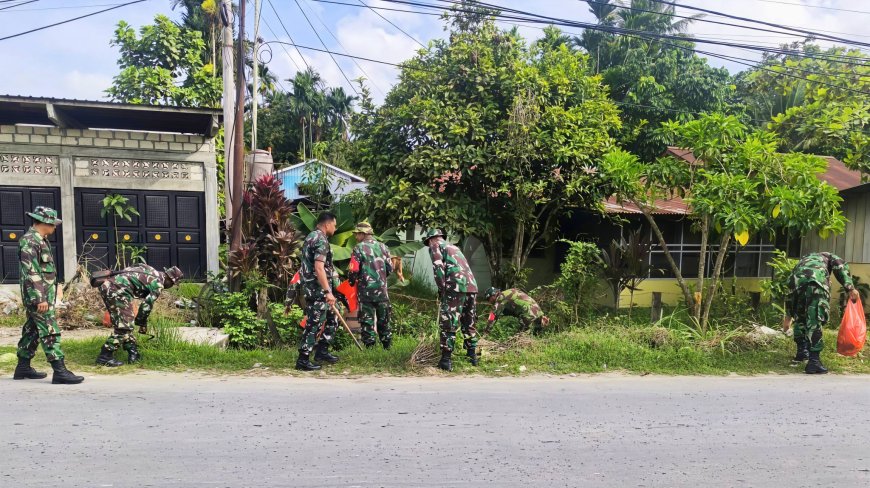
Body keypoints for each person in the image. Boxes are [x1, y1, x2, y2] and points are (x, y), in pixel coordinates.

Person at [13, 206, 83, 384]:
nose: (55, 227)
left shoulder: (41, 240)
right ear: (44, 223)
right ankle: (60, 371)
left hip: (43, 295)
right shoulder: (29, 241)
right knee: (50, 330)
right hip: (38, 297)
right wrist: (40, 298)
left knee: (32, 331)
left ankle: (22, 367)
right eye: (53, 224)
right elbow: (31, 272)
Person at [782, 252, 860, 374]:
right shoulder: (830, 257)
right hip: (815, 283)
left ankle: (802, 353)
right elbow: (840, 267)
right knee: (815, 319)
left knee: (800, 316)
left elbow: (791, 295)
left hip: (795, 283)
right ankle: (814, 361)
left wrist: (788, 316)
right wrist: (850, 288)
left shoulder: (805, 260)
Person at [95, 264, 183, 367]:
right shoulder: (158, 284)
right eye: (172, 284)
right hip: (118, 290)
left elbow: (131, 269)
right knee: (124, 327)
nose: (170, 286)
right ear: (170, 280)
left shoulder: (149, 269)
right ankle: (104, 356)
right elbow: (146, 305)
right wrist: (142, 322)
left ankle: (133, 353)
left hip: (107, 286)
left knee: (125, 323)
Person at [422, 229, 479, 371]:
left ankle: (446, 361)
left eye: (428, 243)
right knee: (469, 322)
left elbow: (438, 269)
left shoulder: (435, 246)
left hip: (454, 287)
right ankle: (472, 357)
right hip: (471, 287)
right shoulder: (455, 247)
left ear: (431, 239)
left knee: (449, 322)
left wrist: (442, 290)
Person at [296, 212, 341, 371]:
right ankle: (303, 359)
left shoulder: (311, 237)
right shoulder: (321, 240)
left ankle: (322, 351)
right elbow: (319, 267)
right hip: (318, 290)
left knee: (334, 315)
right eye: (334, 225)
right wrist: (328, 291)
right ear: (327, 224)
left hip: (314, 287)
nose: (335, 228)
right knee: (314, 322)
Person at [348, 222, 394, 350]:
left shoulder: (358, 248)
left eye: (357, 234)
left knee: (367, 322)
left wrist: (352, 282)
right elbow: (390, 268)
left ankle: (370, 349)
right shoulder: (383, 247)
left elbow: (353, 270)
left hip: (365, 293)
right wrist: (381, 279)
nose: (356, 237)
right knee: (384, 320)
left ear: (363, 234)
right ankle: (387, 347)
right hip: (382, 292)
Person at [484, 287, 550, 332]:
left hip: (529, 313)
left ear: (493, 295)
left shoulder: (501, 297)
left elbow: (493, 314)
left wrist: (487, 329)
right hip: (537, 311)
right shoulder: (509, 291)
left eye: (488, 299)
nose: (489, 302)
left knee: (521, 337)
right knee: (536, 334)